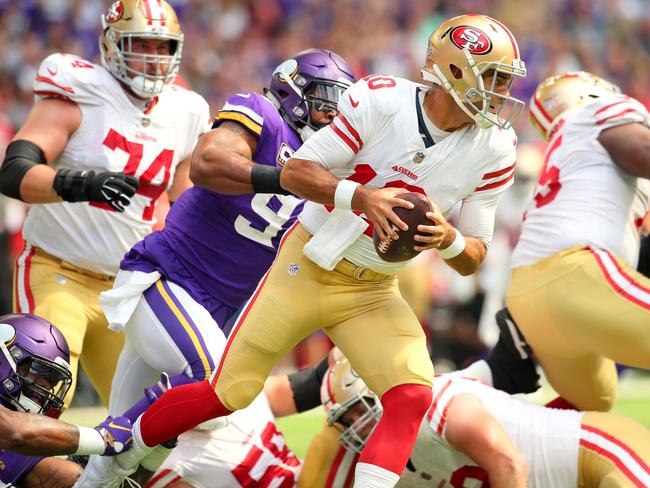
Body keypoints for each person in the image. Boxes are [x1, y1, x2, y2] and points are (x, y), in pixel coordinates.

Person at [99, 13, 527, 488]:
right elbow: (298, 170)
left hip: (372, 289)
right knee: (226, 392)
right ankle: (113, 452)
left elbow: (474, 257)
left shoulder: (497, 147)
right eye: (493, 75)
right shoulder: (383, 99)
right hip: (308, 264)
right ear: (453, 70)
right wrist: (360, 197)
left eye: (505, 79)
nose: (501, 90)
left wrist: (447, 239)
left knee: (410, 395)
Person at [72, 49, 355, 486]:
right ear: (292, 90)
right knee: (215, 385)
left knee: (121, 468)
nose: (332, 113)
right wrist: (286, 177)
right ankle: (103, 440)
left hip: (217, 313)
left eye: (340, 104)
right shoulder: (262, 113)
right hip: (170, 278)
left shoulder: (327, 168)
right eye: (324, 99)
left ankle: (107, 463)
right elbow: (207, 164)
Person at [0, 0, 210, 408]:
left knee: (144, 419)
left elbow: (182, 204)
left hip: (127, 286)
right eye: (140, 45)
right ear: (112, 44)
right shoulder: (81, 91)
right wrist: (85, 184)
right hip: (58, 271)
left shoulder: (187, 111)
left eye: (160, 47)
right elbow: (14, 172)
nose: (151, 58)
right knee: (37, 397)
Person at [504, 71, 650, 412]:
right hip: (576, 272)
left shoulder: (569, 154)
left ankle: (493, 454)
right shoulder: (600, 112)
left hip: (526, 298)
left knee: (592, 406)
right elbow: (641, 148)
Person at [303, 355, 650, 488]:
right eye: (345, 421)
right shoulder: (392, 461)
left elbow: (510, 466)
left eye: (358, 411)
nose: (354, 429)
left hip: (603, 453)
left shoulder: (436, 405)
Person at [0, 313, 136, 487]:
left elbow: (74, 477)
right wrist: (99, 438)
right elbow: (15, 431)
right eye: (39, 371)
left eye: (53, 380)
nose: (46, 387)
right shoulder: (14, 432)